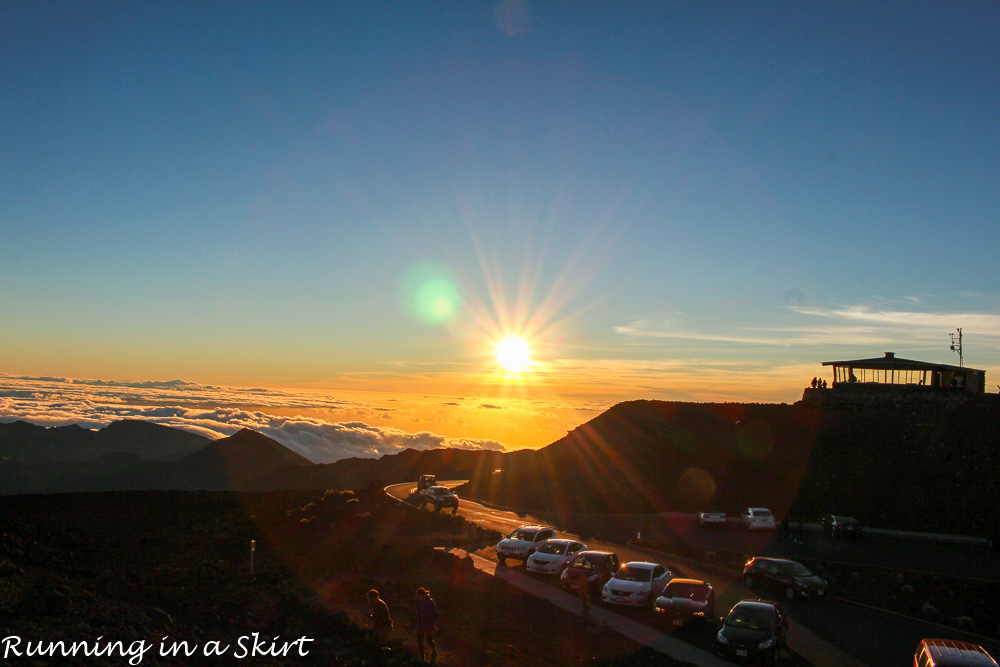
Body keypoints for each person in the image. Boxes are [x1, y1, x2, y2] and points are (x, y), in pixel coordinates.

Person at [415, 587, 438, 663]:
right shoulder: (419, 602)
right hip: (421, 625)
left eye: (418, 596)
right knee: (420, 641)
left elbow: (435, 614)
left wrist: (430, 622)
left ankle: (434, 652)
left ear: (421, 595)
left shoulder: (429, 602)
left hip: (428, 625)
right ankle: (422, 658)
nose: (418, 597)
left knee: (429, 640)